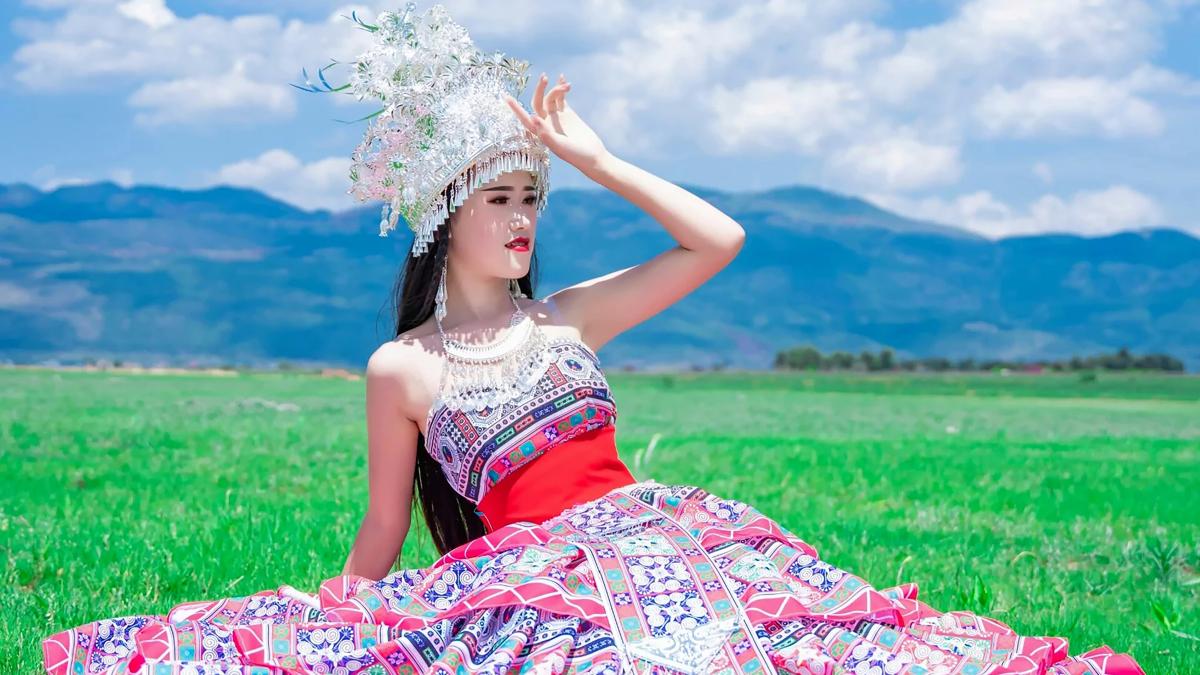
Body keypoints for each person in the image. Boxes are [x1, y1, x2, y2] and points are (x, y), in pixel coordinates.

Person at [42, 4, 1144, 674]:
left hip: (663, 544)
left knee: (833, 644)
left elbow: (718, 240)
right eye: (500, 200)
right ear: (444, 218)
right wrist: (339, 615)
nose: (524, 219)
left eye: (535, 197)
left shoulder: (566, 317)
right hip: (532, 579)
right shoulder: (403, 368)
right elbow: (384, 524)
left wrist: (602, 161)